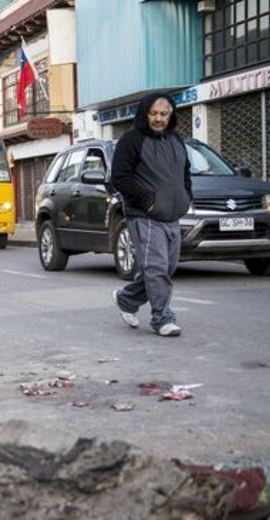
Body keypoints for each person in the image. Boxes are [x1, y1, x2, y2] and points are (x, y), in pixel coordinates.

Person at [110, 92, 192, 337]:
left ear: (171, 115)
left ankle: (127, 298)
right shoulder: (131, 140)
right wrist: (147, 201)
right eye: (154, 113)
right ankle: (162, 318)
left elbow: (185, 173)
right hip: (144, 216)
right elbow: (120, 178)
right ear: (145, 114)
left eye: (164, 114)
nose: (158, 118)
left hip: (172, 215)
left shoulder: (177, 140)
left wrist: (187, 197)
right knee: (156, 267)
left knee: (166, 268)